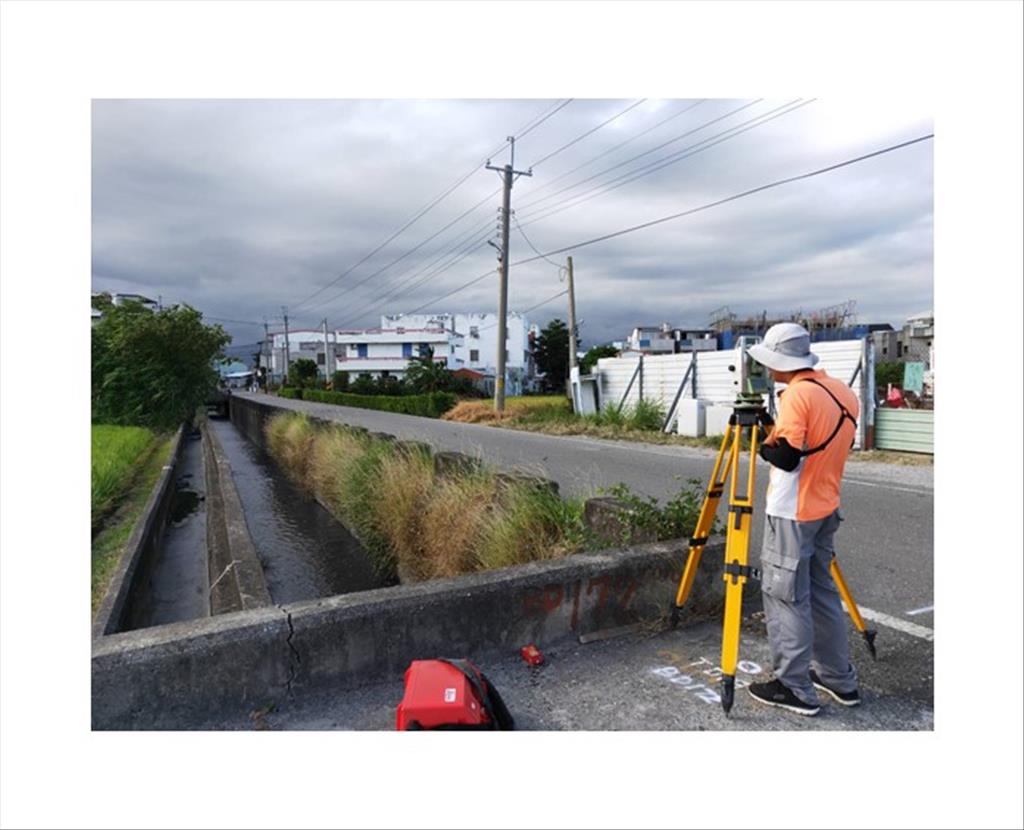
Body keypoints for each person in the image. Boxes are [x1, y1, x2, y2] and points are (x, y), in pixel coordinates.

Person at [744, 323, 861, 716]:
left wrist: (761, 444)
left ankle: (794, 686)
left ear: (780, 362)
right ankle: (838, 678)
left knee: (786, 597)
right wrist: (770, 428)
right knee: (822, 594)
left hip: (792, 512)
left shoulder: (796, 395)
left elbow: (788, 458)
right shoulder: (841, 391)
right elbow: (810, 443)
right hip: (826, 506)